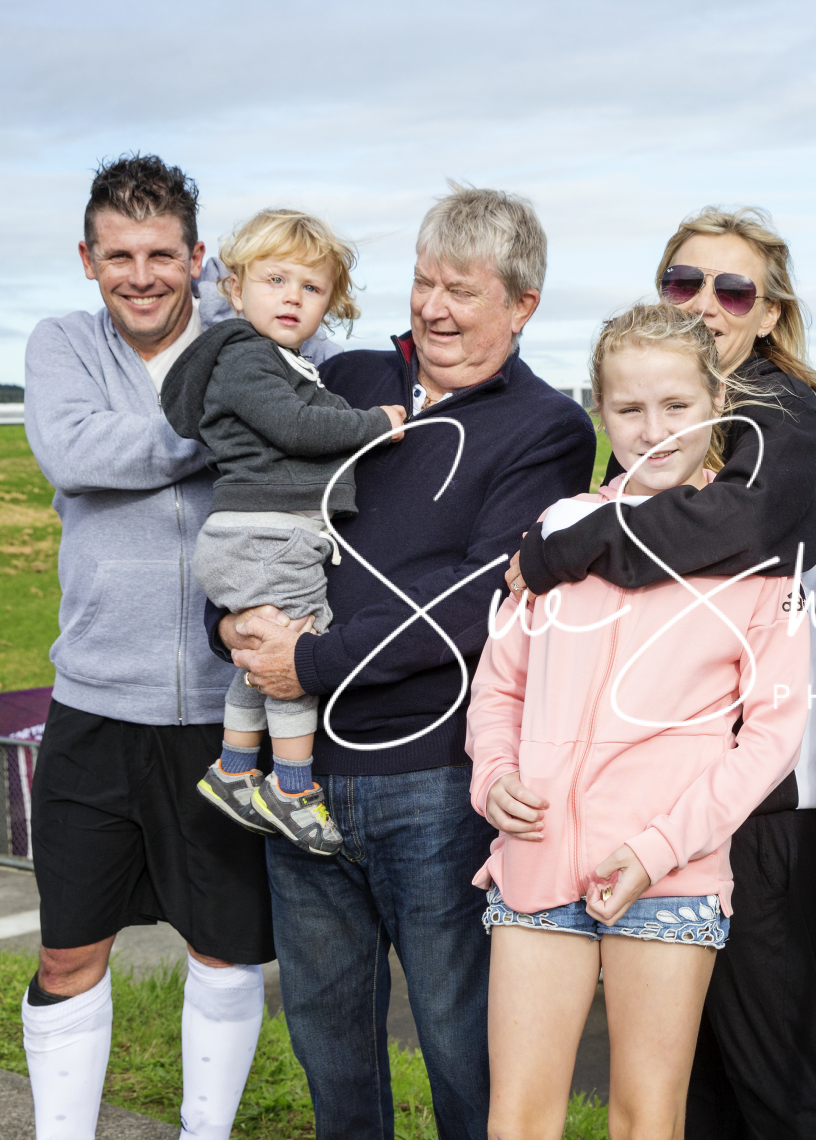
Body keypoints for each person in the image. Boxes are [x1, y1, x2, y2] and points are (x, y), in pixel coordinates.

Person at [219, 185, 596, 1139]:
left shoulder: (548, 426)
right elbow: (253, 495)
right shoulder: (343, 377)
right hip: (300, 781)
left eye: (462, 291)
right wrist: (235, 622)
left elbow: (479, 597)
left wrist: (313, 661)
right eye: (424, 282)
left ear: (523, 305)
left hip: (430, 787)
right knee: (329, 1045)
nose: (433, 308)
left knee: (462, 1048)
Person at [508, 206, 816, 1140]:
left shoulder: (777, 411)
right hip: (663, 803)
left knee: (768, 1061)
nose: (703, 303)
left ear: (769, 314)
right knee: (689, 1084)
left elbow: (730, 530)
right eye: (683, 282)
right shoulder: (670, 419)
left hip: (768, 793)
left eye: (733, 290)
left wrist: (563, 545)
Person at [22, 154, 274, 1140]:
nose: (141, 276)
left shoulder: (246, 336)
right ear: (87, 260)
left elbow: (318, 384)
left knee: (225, 952)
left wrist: (260, 402)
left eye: (162, 255)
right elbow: (74, 451)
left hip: (226, 712)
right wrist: (229, 432)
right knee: (67, 956)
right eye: (118, 255)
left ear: (197, 257)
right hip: (93, 708)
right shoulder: (60, 344)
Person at [164, 208, 407, 856]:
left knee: (260, 656)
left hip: (257, 536)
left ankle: (235, 769)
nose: (293, 298)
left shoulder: (282, 361)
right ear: (236, 288)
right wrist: (377, 424)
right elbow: (295, 428)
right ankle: (293, 789)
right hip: (268, 534)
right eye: (275, 280)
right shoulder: (246, 358)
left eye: (311, 287)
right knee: (296, 651)